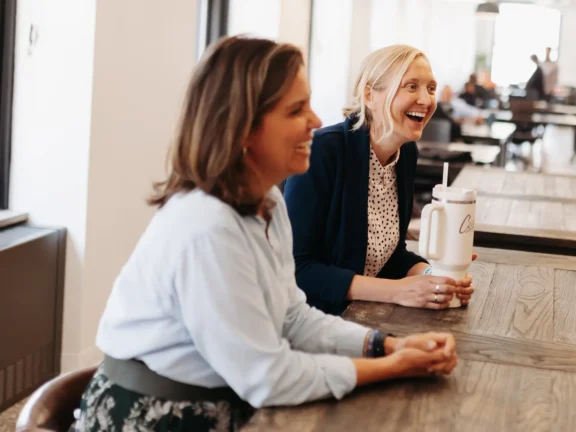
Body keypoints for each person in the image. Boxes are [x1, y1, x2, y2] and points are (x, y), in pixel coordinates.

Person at [72, 37, 458, 431]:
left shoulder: (268, 206)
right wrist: (392, 366)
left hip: (225, 402)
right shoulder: (207, 228)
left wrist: (388, 345)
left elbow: (294, 318)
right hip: (158, 416)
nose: (315, 121)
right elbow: (268, 378)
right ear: (242, 128)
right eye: (296, 110)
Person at [283, 45, 476, 316]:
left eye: (431, 89)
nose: (426, 99)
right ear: (369, 95)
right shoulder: (323, 151)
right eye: (411, 86)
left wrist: (439, 277)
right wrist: (398, 291)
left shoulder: (406, 152)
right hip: (315, 323)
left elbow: (392, 256)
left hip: (368, 315)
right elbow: (297, 267)